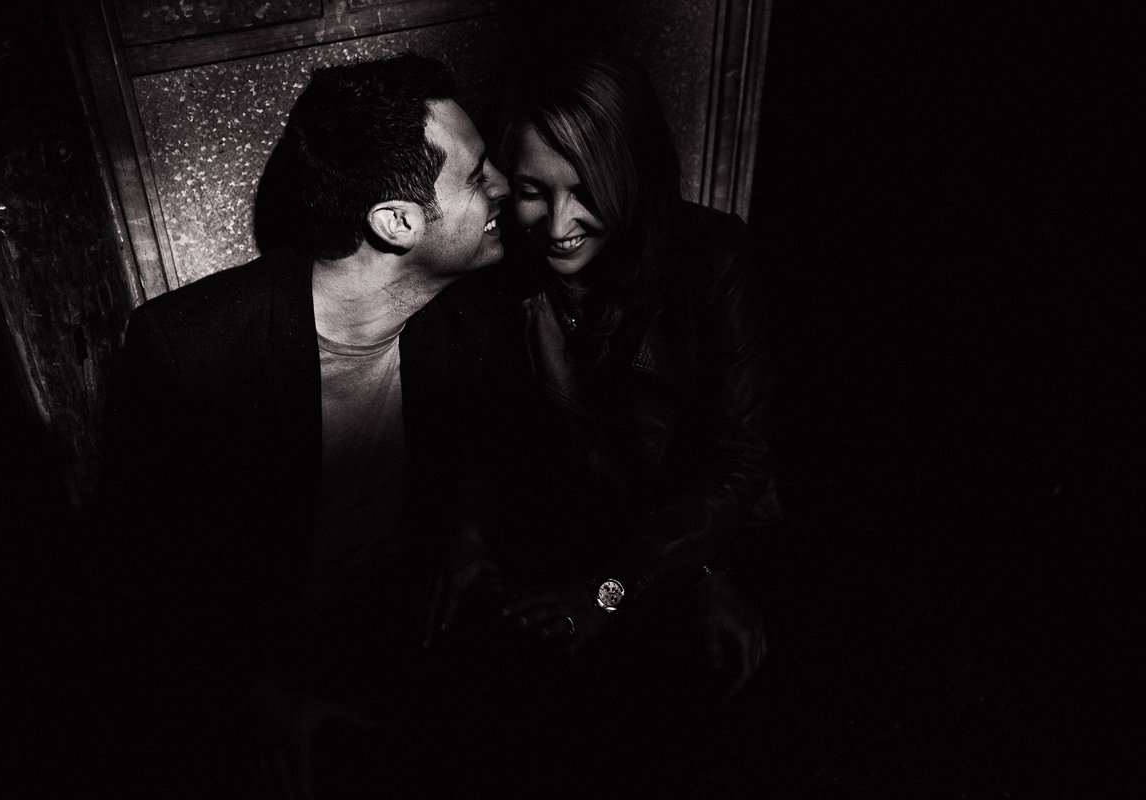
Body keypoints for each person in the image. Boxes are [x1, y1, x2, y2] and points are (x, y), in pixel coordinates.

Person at [96, 53, 509, 797]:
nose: (504, 187)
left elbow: (467, 453)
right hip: (253, 675)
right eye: (478, 177)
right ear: (396, 222)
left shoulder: (461, 319)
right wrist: (252, 698)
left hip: (398, 642)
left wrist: (465, 533)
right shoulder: (191, 352)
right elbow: (135, 578)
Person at [417, 50, 776, 795]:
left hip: (690, 544)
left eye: (587, 191)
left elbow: (737, 462)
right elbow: (478, 437)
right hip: (568, 545)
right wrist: (467, 534)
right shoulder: (494, 276)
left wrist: (631, 584)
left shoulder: (712, 260)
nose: (559, 224)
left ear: (633, 173)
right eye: (530, 192)